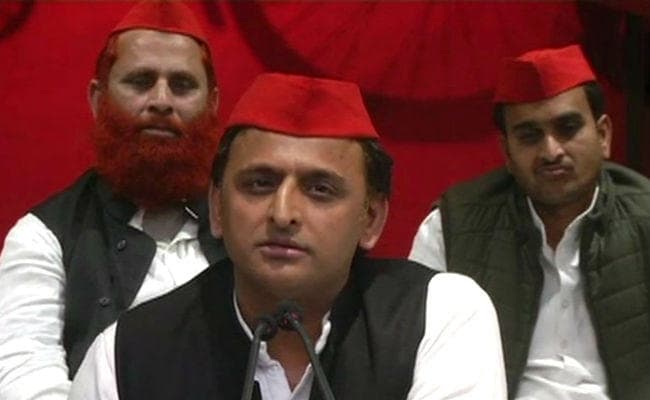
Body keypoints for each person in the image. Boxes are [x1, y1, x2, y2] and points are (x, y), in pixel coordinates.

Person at [69, 72, 506, 399]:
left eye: (320, 190)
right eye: (259, 184)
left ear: (371, 218)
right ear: (217, 208)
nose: (283, 214)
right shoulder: (128, 353)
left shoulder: (438, 315)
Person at [0, 2, 226, 399]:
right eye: (140, 81)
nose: (161, 101)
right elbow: (24, 379)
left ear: (212, 104)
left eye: (182, 85)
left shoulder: (249, 228)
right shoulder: (44, 236)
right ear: (97, 99)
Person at [409, 44, 650, 400]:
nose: (551, 151)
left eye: (567, 128)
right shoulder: (451, 227)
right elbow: (419, 354)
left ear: (603, 135)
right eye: (530, 136)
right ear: (507, 151)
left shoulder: (645, 217)